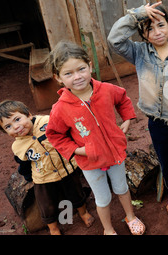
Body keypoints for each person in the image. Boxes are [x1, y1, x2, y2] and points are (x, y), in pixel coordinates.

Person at [108, 2, 168, 218]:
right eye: (149, 29)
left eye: (161, 25)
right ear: (142, 34)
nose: (157, 32)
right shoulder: (139, 53)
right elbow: (114, 39)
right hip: (157, 122)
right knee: (166, 159)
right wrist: (137, 15)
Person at [45, 41, 145, 235]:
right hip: (90, 162)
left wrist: (127, 118)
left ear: (90, 66)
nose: (77, 77)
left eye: (81, 69)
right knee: (103, 198)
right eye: (68, 73)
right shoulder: (60, 108)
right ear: (58, 78)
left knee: (122, 188)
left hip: (115, 153)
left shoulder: (106, 89)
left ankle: (131, 217)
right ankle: (108, 229)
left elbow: (123, 99)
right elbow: (54, 135)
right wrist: (78, 150)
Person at [0, 100, 94, 235]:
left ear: (29, 115)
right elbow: (24, 165)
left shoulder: (47, 122)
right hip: (43, 178)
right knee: (46, 205)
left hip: (66, 168)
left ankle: (83, 213)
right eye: (8, 126)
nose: (16, 127)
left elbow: (67, 135)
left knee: (75, 192)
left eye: (17, 119)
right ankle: (53, 228)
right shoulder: (18, 147)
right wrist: (29, 178)